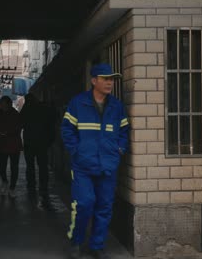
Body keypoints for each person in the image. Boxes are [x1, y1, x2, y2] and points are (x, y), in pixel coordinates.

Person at [61, 64, 129, 259]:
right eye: (105, 78)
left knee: (104, 207)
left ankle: (96, 246)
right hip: (83, 165)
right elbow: (66, 130)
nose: (110, 82)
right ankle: (76, 240)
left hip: (108, 165)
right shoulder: (78, 103)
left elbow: (124, 131)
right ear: (93, 81)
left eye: (112, 79)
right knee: (84, 203)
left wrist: (119, 150)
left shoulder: (117, 106)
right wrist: (76, 150)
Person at [20, 93, 55, 204]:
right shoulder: (44, 109)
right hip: (42, 143)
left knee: (30, 166)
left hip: (29, 143)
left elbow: (20, 123)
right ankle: (43, 188)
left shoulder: (26, 109)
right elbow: (51, 124)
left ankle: (31, 186)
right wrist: (49, 141)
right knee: (43, 167)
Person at [0, 96, 22, 198]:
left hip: (14, 144)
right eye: (1, 104)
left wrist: (7, 132)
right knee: (1, 167)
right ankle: (5, 181)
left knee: (14, 167)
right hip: (2, 144)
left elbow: (19, 128)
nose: (1, 105)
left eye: (3, 104)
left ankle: (12, 188)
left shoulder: (15, 114)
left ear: (8, 104)